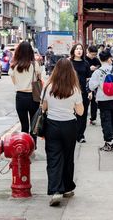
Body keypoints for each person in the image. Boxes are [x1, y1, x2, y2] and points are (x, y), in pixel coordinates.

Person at [42, 58, 84, 207]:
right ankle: (67, 188)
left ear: (56, 71)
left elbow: (44, 108)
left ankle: (55, 191)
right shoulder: (75, 89)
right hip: (69, 127)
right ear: (71, 72)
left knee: (53, 158)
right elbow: (80, 112)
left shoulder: (48, 87)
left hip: (52, 125)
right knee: (68, 157)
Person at [88, 50, 113, 152]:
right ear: (109, 59)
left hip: (103, 99)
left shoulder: (97, 72)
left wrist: (100, 84)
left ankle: (109, 143)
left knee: (106, 120)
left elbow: (91, 86)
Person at [10, 41, 42, 146]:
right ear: (30, 52)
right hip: (33, 97)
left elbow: (14, 81)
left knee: (24, 125)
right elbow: (39, 78)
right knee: (34, 126)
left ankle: (24, 147)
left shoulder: (14, 65)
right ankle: (33, 146)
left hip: (20, 97)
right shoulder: (34, 64)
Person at [69, 43, 90, 143]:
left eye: (81, 49)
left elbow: (88, 79)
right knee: (71, 114)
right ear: (73, 51)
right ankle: (72, 134)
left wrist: (90, 91)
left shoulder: (85, 64)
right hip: (70, 93)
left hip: (83, 93)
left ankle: (81, 135)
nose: (79, 50)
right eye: (77, 49)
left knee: (83, 114)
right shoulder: (69, 63)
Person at [85, 45, 101, 125]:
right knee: (86, 101)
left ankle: (93, 118)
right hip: (85, 83)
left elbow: (100, 67)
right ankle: (83, 116)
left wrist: (96, 68)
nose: (93, 56)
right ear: (88, 52)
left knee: (94, 102)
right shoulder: (83, 59)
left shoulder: (96, 60)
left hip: (95, 83)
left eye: (95, 55)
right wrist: (89, 68)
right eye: (92, 54)